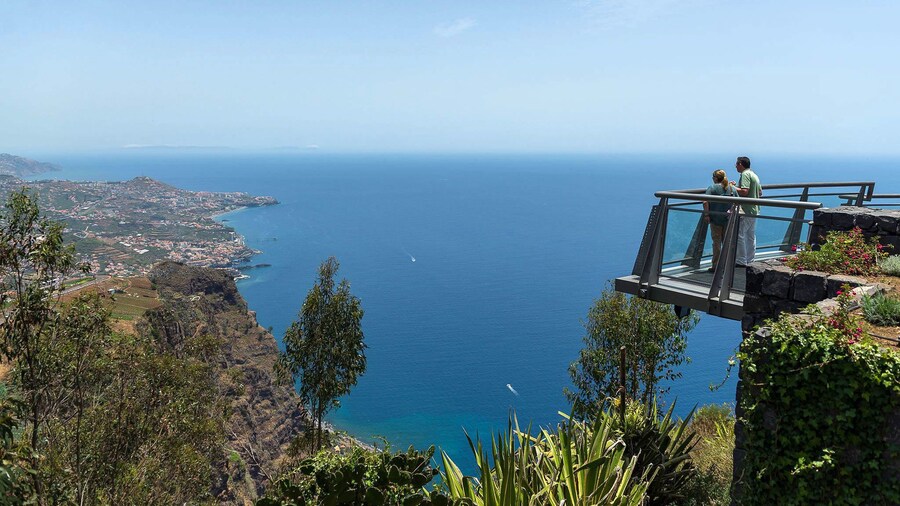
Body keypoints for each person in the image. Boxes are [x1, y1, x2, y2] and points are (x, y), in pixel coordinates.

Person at [732, 156, 761, 266]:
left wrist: (733, 187)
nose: (735, 166)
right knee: (750, 235)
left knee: (739, 234)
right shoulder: (754, 175)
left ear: (740, 164)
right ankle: (750, 259)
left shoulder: (745, 175)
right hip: (755, 209)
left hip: (746, 209)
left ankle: (741, 260)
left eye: (736, 164)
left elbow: (744, 191)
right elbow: (760, 192)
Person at [703, 169, 734, 271]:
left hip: (715, 219)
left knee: (716, 243)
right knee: (727, 242)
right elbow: (737, 201)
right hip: (728, 219)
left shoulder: (712, 188)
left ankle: (716, 266)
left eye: (713, 177)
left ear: (716, 178)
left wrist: (707, 214)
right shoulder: (731, 188)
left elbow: (705, 201)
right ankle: (727, 264)